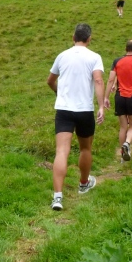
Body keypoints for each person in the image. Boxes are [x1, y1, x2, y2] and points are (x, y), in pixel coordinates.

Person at [47, 23, 105, 211]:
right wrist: (101, 106)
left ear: (73, 38)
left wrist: (59, 93)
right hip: (84, 110)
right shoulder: (94, 57)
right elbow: (98, 80)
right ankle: (83, 183)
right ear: (89, 39)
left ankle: (57, 197)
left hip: (64, 109)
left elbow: (50, 80)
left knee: (61, 151)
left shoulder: (62, 56)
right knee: (85, 148)